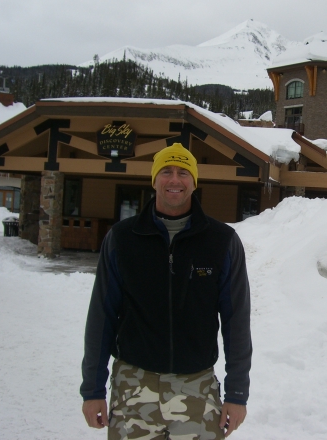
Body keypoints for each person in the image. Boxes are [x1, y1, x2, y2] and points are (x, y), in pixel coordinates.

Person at [80, 143, 252, 439]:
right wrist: (92, 390)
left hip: (197, 389)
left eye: (183, 172)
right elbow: (101, 316)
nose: (174, 179)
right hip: (133, 388)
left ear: (194, 182)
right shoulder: (122, 238)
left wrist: (237, 393)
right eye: (166, 171)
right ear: (154, 179)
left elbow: (236, 322)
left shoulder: (222, 241)